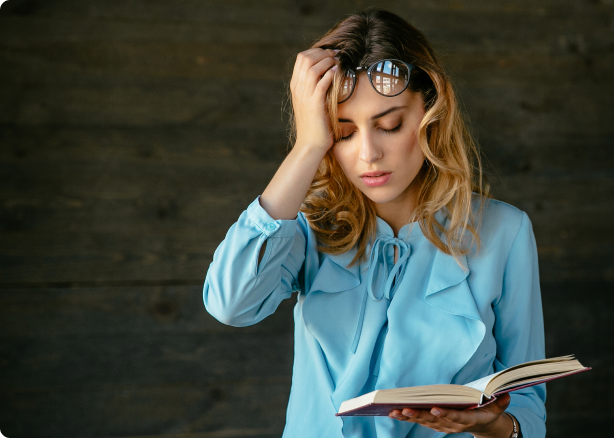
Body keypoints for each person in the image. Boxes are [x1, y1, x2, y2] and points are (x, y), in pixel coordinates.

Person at [203, 8, 546, 438]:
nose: (368, 154)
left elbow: (528, 408)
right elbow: (231, 303)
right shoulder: (307, 225)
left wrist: (491, 425)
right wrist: (308, 147)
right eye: (343, 132)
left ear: (431, 113)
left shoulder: (506, 232)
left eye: (389, 125)